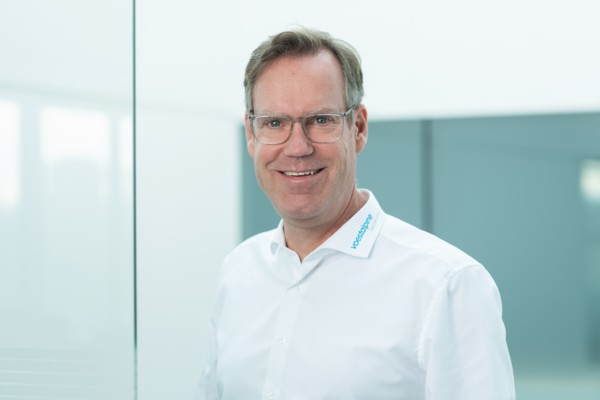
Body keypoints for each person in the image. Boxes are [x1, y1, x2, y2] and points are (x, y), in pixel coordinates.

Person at [197, 28, 515, 399]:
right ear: (251, 135)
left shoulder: (447, 285)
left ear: (358, 128)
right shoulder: (239, 271)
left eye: (321, 120)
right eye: (274, 123)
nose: (297, 147)